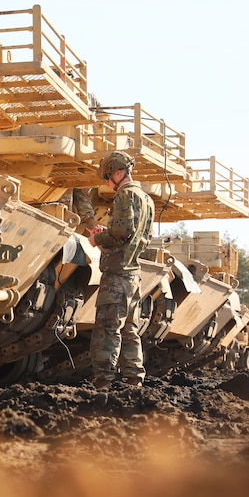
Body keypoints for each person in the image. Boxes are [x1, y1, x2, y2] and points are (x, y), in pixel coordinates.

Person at [73, 151, 154, 388]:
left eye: (108, 177)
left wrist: (99, 239)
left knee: (107, 330)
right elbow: (140, 236)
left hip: (117, 274)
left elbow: (120, 233)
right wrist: (105, 233)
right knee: (130, 329)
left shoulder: (125, 196)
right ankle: (133, 380)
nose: (107, 183)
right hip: (133, 274)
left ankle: (103, 383)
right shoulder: (146, 199)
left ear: (119, 173)